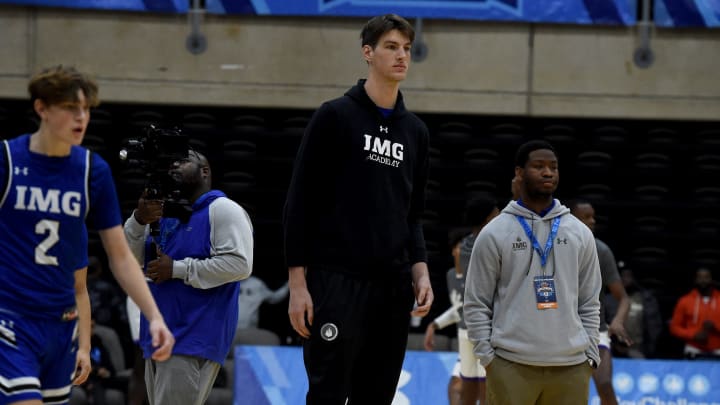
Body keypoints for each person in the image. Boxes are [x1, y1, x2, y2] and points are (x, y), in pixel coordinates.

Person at [0, 65, 174, 405]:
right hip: (11, 321)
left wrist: (154, 316)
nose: (82, 117)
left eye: (86, 109)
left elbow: (121, 256)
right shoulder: (6, 160)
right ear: (42, 109)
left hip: (61, 326)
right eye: (70, 108)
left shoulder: (92, 171)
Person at [283, 13, 433, 405]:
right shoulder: (334, 116)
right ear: (368, 53)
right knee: (328, 392)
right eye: (391, 47)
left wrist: (421, 271)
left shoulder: (415, 132)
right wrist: (298, 286)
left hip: (393, 287)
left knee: (376, 396)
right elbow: (299, 203)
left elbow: (412, 213)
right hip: (336, 281)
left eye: (406, 49)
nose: (402, 56)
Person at [464, 140, 602, 405]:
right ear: (519, 172)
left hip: (572, 366)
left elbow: (589, 301)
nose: (548, 172)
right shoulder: (494, 232)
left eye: (553, 167)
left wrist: (590, 354)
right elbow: (476, 302)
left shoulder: (579, 232)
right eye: (539, 166)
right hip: (510, 364)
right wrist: (489, 359)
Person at [123, 148, 254, 405]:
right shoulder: (166, 214)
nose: (174, 164)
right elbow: (129, 261)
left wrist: (177, 269)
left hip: (193, 335)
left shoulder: (223, 209)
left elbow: (240, 264)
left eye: (184, 160)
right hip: (161, 334)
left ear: (205, 171)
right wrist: (139, 220)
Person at [424, 198, 499, 405]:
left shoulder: (467, 244)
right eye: (496, 215)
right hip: (485, 327)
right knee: (482, 384)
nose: (500, 218)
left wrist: (435, 324)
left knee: (468, 382)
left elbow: (462, 306)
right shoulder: (489, 243)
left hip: (467, 327)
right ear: (487, 218)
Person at [569, 198, 633, 405]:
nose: (592, 221)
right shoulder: (558, 249)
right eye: (586, 217)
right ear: (572, 219)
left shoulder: (602, 251)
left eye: (593, 216)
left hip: (595, 330)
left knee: (604, 383)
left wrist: (618, 321)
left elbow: (623, 298)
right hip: (564, 330)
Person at [606, 268, 663, 358]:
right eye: (622, 276)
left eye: (628, 276)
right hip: (612, 350)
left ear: (634, 278)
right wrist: (613, 343)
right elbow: (601, 325)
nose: (625, 279)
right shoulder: (608, 300)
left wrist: (647, 349)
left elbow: (654, 327)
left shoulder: (647, 299)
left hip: (638, 350)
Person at [669, 267, 720, 359]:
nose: (703, 281)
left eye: (706, 277)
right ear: (695, 280)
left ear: (712, 280)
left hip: (718, 349)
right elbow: (674, 327)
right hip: (693, 349)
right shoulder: (684, 300)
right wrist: (693, 335)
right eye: (700, 277)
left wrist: (716, 326)